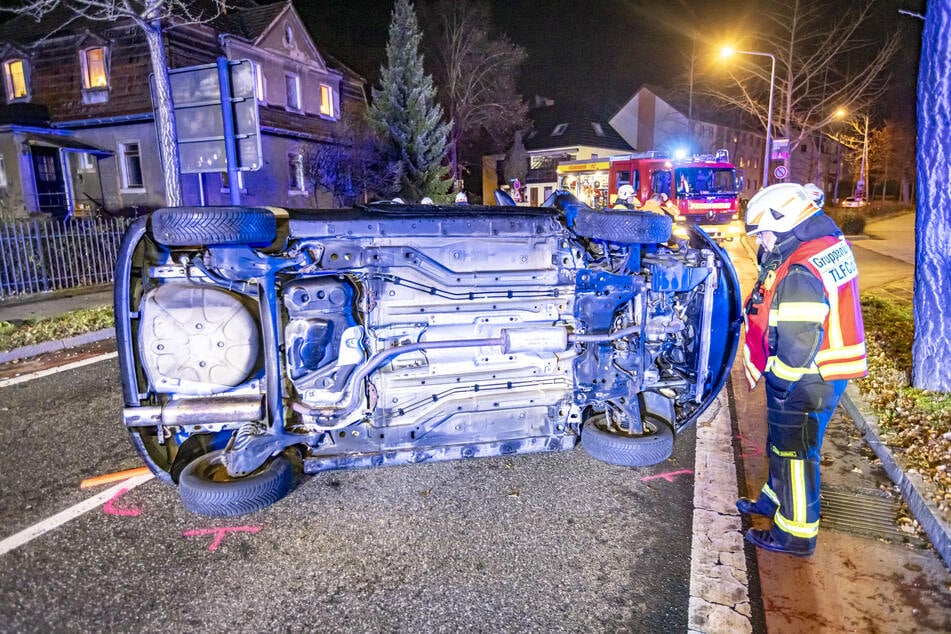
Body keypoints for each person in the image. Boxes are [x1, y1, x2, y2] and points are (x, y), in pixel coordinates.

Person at [739, 182, 867, 557]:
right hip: (824, 370)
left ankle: (794, 534)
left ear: (785, 222)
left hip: (808, 377)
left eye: (763, 233)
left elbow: (797, 341)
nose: (761, 242)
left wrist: (779, 381)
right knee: (782, 443)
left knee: (795, 453)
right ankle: (772, 500)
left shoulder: (800, 270)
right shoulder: (822, 245)